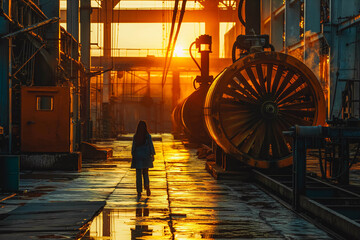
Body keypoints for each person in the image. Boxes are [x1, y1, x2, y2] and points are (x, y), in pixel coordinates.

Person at [131, 120, 155, 199]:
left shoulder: (136, 136)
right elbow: (151, 145)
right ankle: (147, 185)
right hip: (146, 156)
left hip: (138, 157)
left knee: (138, 175)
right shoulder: (147, 136)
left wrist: (133, 154)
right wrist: (152, 154)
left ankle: (139, 191)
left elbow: (133, 147)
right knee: (145, 173)